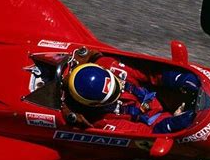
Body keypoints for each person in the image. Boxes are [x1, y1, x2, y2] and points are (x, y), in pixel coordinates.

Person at [61, 52, 201, 134]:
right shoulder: (101, 121)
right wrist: (171, 124)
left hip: (159, 94)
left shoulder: (111, 65)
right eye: (114, 94)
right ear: (94, 105)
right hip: (154, 119)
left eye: (116, 85)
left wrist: (178, 78)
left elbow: (147, 71)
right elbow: (143, 132)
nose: (120, 89)